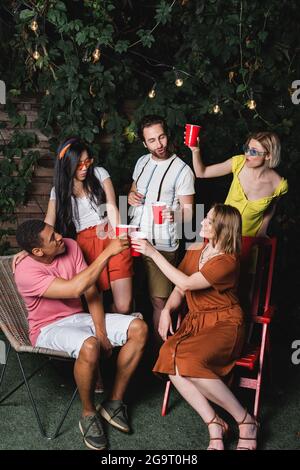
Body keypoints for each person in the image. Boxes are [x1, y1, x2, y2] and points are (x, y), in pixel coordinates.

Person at [132, 204, 259, 450]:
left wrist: (153, 252)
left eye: (209, 221)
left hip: (225, 324)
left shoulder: (227, 261)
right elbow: (179, 288)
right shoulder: (196, 248)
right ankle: (213, 423)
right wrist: (168, 310)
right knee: (168, 357)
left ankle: (245, 420)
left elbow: (187, 283)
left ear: (224, 229)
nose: (202, 223)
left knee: (188, 362)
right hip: (197, 321)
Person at [14, 219, 148, 451]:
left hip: (79, 318)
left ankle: (114, 401)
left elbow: (89, 290)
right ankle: (88, 413)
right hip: (47, 328)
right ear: (37, 251)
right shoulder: (25, 272)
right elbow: (75, 288)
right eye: (52, 238)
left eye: (55, 231)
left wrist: (102, 332)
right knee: (89, 346)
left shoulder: (70, 246)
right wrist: (107, 252)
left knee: (139, 328)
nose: (59, 237)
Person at [13, 137, 133, 314]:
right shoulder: (59, 191)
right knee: (95, 304)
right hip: (85, 245)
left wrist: (120, 236)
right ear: (68, 165)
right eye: (79, 164)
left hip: (111, 233)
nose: (85, 168)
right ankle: (110, 331)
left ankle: (124, 321)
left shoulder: (99, 173)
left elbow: (113, 207)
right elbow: (48, 223)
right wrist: (29, 248)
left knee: (124, 306)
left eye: (87, 161)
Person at [128, 115, 195, 344]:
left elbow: (189, 214)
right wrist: (130, 196)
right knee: (133, 296)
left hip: (162, 244)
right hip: (135, 237)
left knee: (159, 301)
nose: (159, 144)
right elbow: (133, 190)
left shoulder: (182, 171)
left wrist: (173, 214)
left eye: (162, 137)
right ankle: (136, 348)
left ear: (167, 134)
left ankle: (161, 356)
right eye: (152, 140)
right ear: (144, 143)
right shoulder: (142, 162)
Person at [190, 131, 288, 237]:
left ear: (268, 155)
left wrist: (262, 230)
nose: (247, 154)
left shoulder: (279, 185)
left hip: (250, 239)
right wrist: (195, 150)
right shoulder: (238, 163)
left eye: (254, 152)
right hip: (222, 234)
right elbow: (201, 173)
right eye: (247, 148)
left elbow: (272, 206)